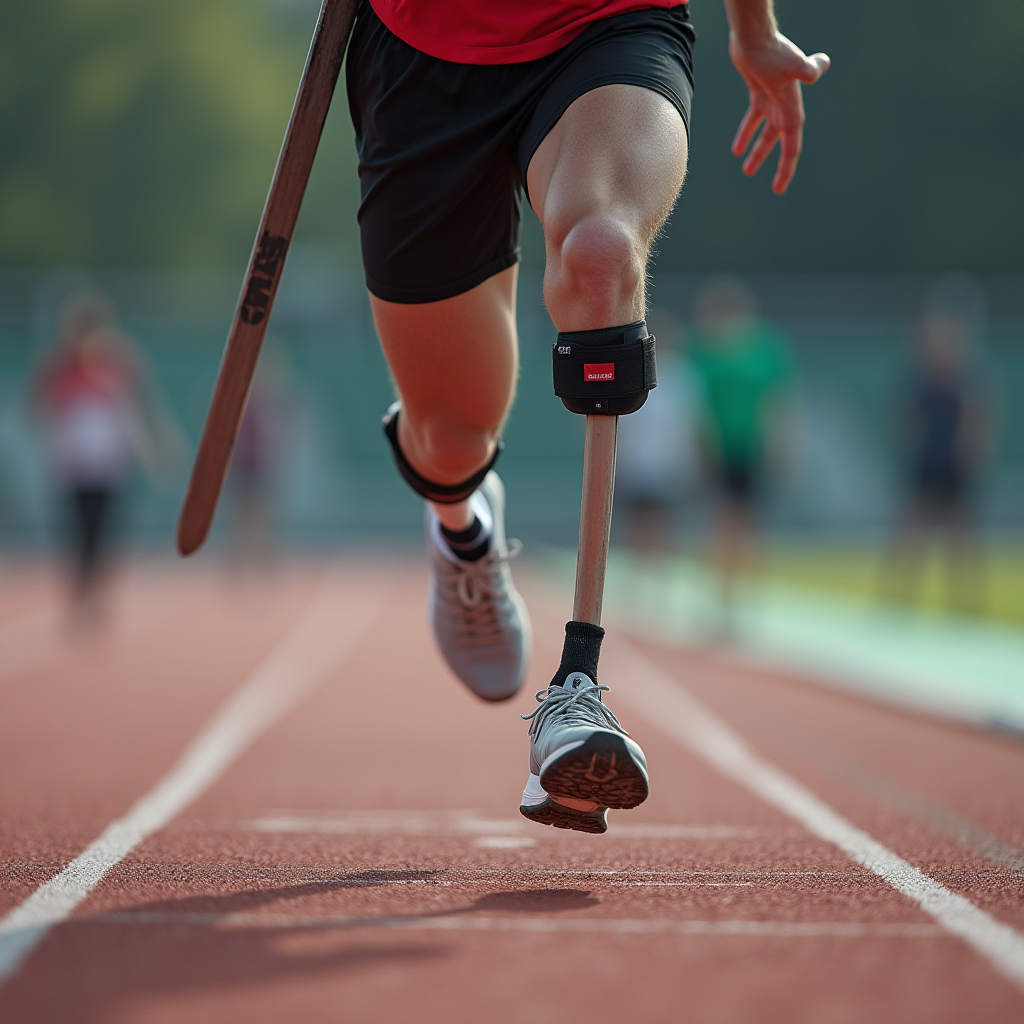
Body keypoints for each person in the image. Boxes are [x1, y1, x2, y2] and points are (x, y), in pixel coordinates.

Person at [346, 0, 828, 831]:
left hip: (605, 22)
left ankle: (578, 686)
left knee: (600, 253)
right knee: (452, 440)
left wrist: (750, 29)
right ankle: (463, 528)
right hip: (424, 49)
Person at [33, 292, 180, 623]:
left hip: (110, 466)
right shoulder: (59, 365)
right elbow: (39, 407)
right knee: (78, 529)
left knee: (103, 530)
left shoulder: (120, 361)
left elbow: (144, 407)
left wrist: (160, 448)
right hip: (72, 466)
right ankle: (81, 591)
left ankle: (94, 592)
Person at [688, 277, 794, 624]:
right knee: (721, 522)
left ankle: (745, 596)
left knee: (749, 523)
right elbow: (696, 407)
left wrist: (782, 447)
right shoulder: (705, 352)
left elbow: (778, 402)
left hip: (753, 447)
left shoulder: (764, 350)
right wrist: (700, 449)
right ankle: (719, 597)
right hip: (720, 449)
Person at [882, 292, 989, 614]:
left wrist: (970, 454)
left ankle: (965, 603)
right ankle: (899, 599)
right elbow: (904, 418)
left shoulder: (965, 378)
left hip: (954, 465)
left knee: (960, 535)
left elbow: (978, 418)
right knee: (912, 531)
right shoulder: (919, 377)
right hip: (925, 462)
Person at [615, 309, 699, 552]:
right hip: (638, 460)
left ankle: (657, 574)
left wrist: (689, 459)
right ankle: (638, 574)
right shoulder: (636, 371)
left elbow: (687, 422)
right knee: (636, 520)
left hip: (666, 461)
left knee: (663, 522)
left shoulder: (680, 374)